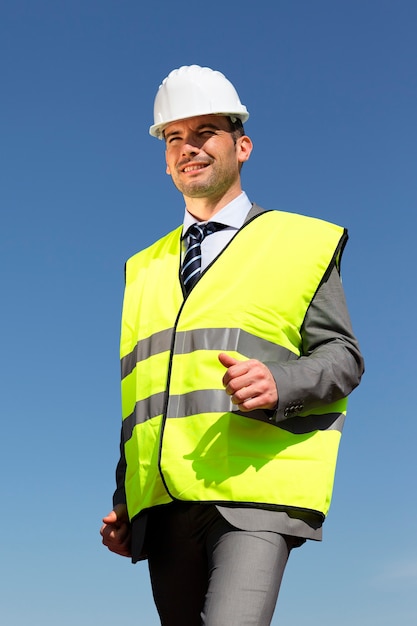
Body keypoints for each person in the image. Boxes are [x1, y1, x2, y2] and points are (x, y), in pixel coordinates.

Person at [100, 64, 364, 625]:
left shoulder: (300, 242)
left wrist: (279, 382)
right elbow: (143, 397)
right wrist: (126, 499)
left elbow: (342, 357)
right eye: (174, 138)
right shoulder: (142, 268)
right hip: (165, 506)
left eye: (204, 133)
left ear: (242, 146)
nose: (187, 148)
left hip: (252, 494)